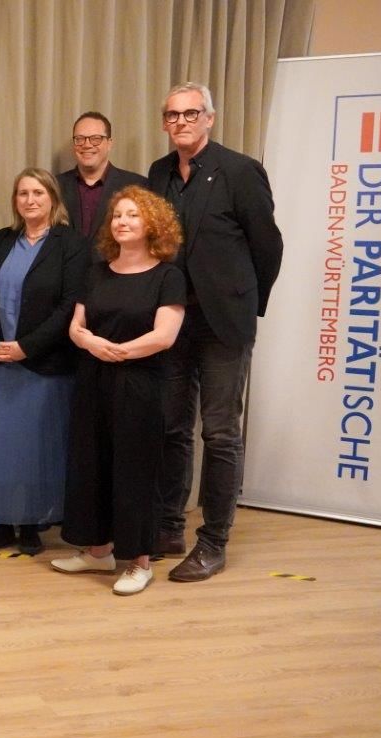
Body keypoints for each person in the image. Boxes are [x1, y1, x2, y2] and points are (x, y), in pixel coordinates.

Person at [147, 82, 284, 581]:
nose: (180, 122)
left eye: (190, 113)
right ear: (164, 123)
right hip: (173, 321)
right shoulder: (159, 173)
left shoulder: (240, 171)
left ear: (210, 118)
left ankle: (214, 541)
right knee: (171, 427)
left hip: (224, 322)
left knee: (221, 433)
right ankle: (167, 526)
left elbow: (268, 247)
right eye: (171, 115)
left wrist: (246, 304)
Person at [51, 186, 186, 596]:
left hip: (140, 384)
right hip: (93, 379)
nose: (123, 222)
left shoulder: (168, 275)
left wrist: (119, 352)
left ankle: (138, 562)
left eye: (133, 215)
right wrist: (93, 344)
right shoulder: (96, 271)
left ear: (152, 225)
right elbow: (76, 326)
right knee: (91, 464)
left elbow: (164, 336)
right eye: (117, 216)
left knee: (134, 471)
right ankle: (97, 553)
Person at [0, 169, 88, 556]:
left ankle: (33, 524)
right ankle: (1, 524)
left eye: (38, 192)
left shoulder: (70, 244)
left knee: (37, 449)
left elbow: (69, 305)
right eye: (22, 193)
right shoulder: (2, 240)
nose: (30, 199)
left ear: (53, 198)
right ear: (15, 201)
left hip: (44, 365)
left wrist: (27, 347)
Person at [56, 111, 146, 246]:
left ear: (109, 143)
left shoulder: (137, 186)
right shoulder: (54, 186)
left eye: (96, 139)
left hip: (117, 266)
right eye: (80, 139)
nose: (87, 145)